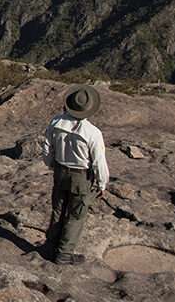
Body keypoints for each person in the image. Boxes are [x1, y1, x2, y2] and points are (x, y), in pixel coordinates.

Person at [42, 84, 109, 265]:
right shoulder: (93, 133)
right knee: (75, 215)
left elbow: (47, 148)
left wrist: (51, 165)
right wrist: (102, 184)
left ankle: (50, 247)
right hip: (80, 177)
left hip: (59, 171)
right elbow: (98, 162)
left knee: (58, 210)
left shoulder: (56, 123)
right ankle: (63, 255)